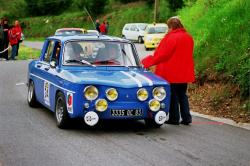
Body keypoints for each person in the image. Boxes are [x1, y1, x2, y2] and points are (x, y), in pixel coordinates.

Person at [141, 16, 195, 125]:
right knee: (183, 95)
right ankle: (187, 118)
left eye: (168, 27)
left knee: (173, 96)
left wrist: (146, 62)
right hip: (184, 73)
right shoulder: (188, 37)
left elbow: (162, 55)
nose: (167, 30)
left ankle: (174, 119)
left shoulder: (170, 38)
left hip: (172, 72)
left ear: (171, 27)